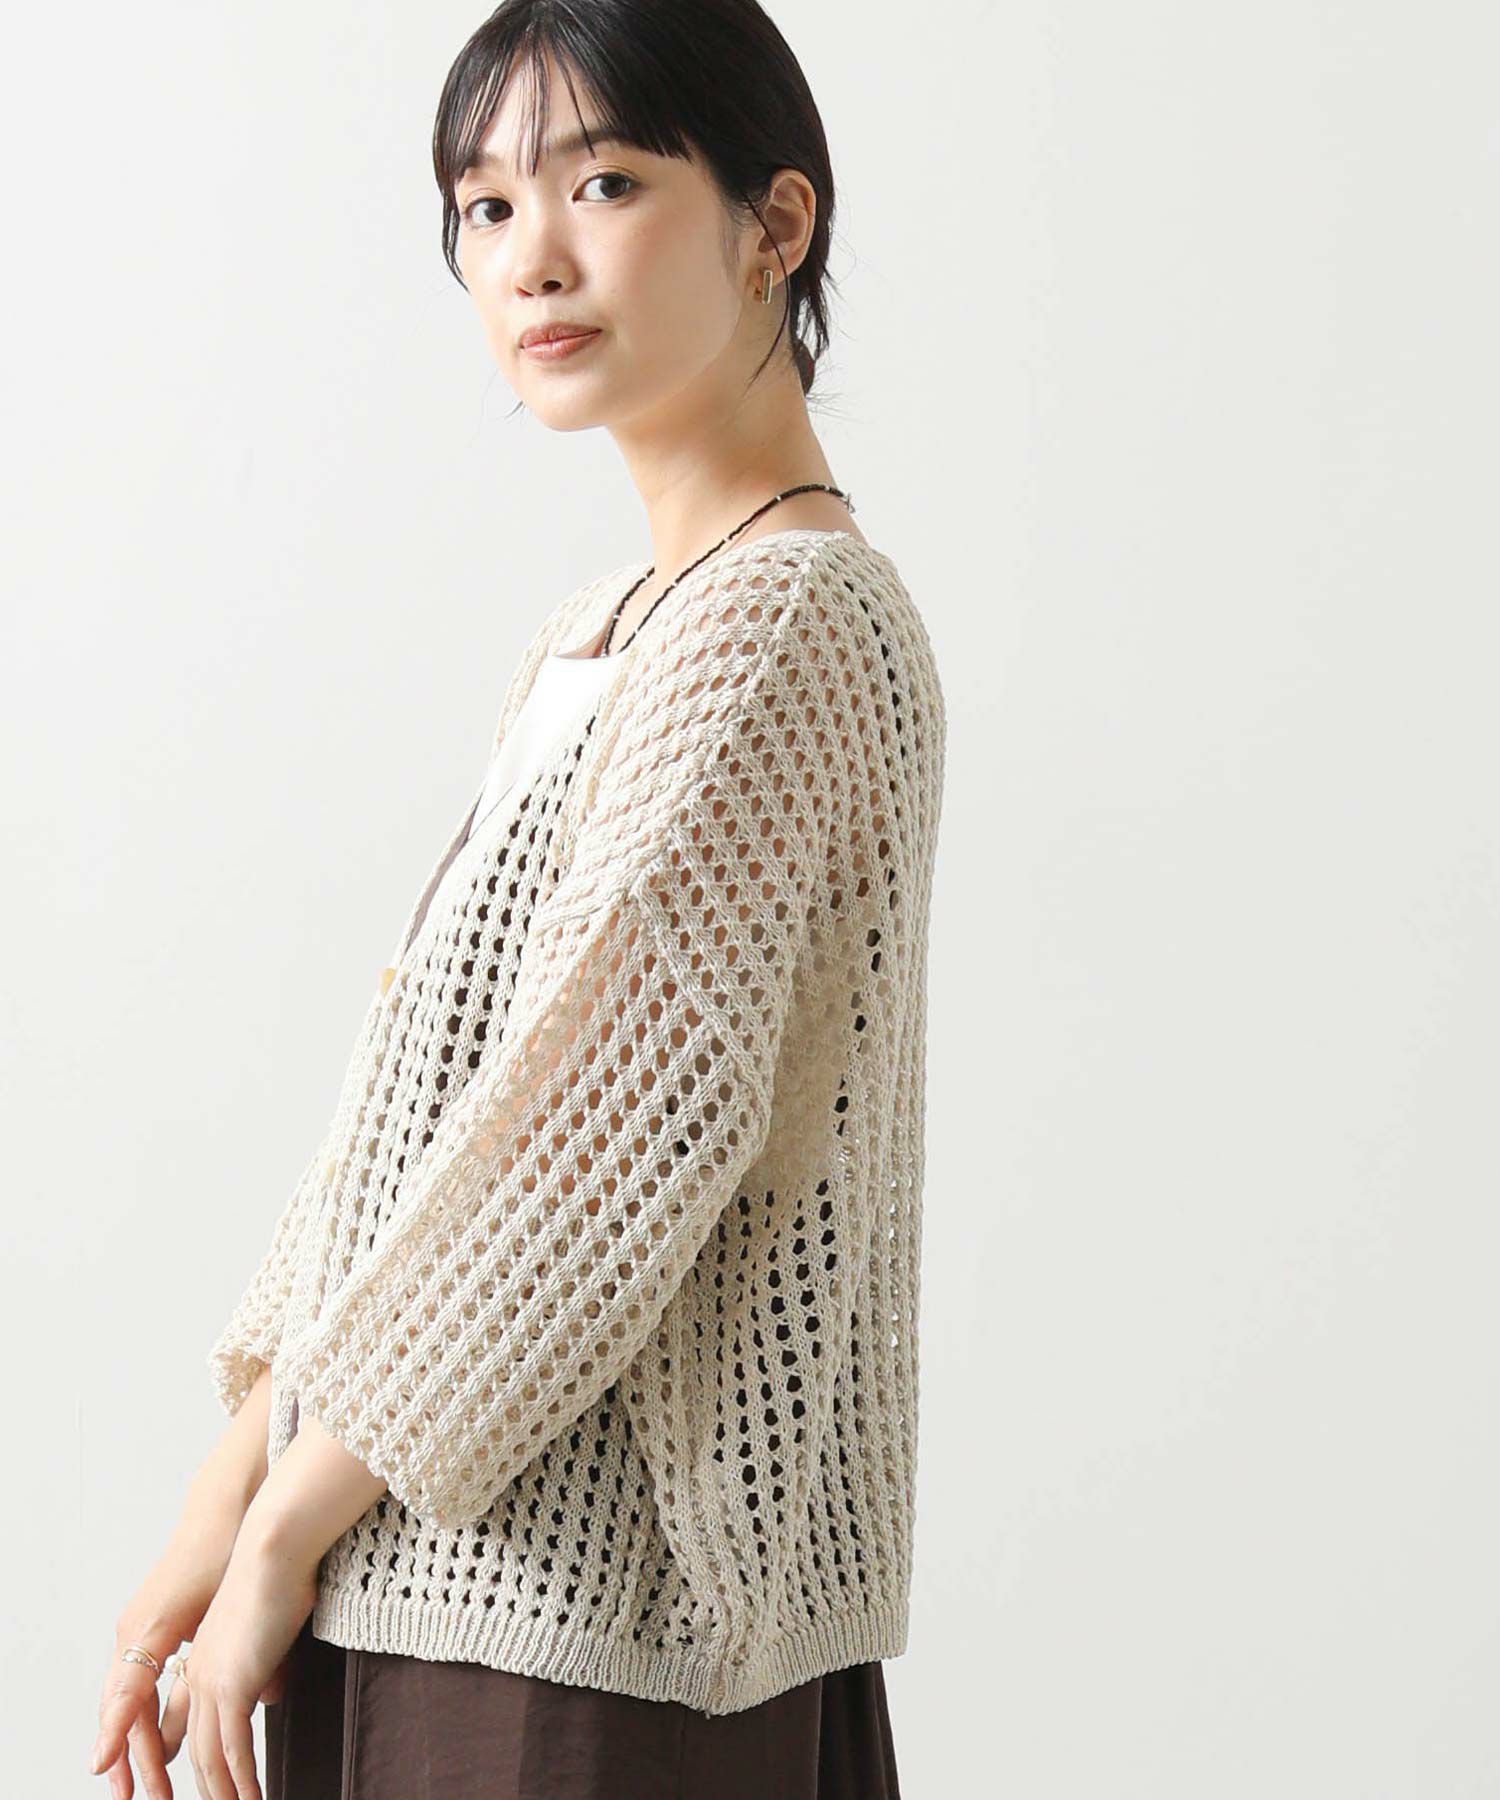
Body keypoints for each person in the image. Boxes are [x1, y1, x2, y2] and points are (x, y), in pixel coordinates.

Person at [89, 3, 946, 1795]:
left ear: (776, 223)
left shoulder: (781, 619)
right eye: (483, 208)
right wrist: (224, 1501)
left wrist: (278, 1526)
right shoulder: (611, 631)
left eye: (604, 183)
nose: (530, 257)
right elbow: (418, 1139)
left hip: (592, 1630)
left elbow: (597, 1143)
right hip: (425, 1563)